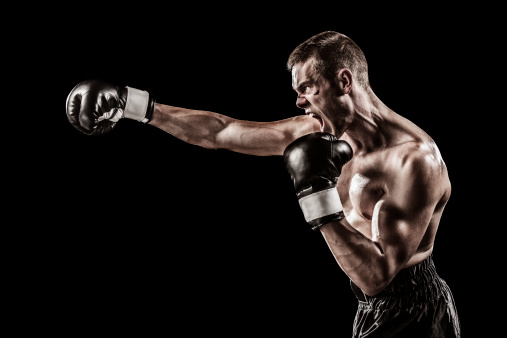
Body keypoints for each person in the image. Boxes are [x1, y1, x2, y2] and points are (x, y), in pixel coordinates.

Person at [66, 31, 461, 337]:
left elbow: (377, 277)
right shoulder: (316, 131)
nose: (300, 102)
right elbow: (222, 131)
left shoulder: (414, 161)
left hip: (416, 312)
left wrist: (315, 194)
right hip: (369, 308)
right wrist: (134, 105)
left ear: (344, 80)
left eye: (308, 88)